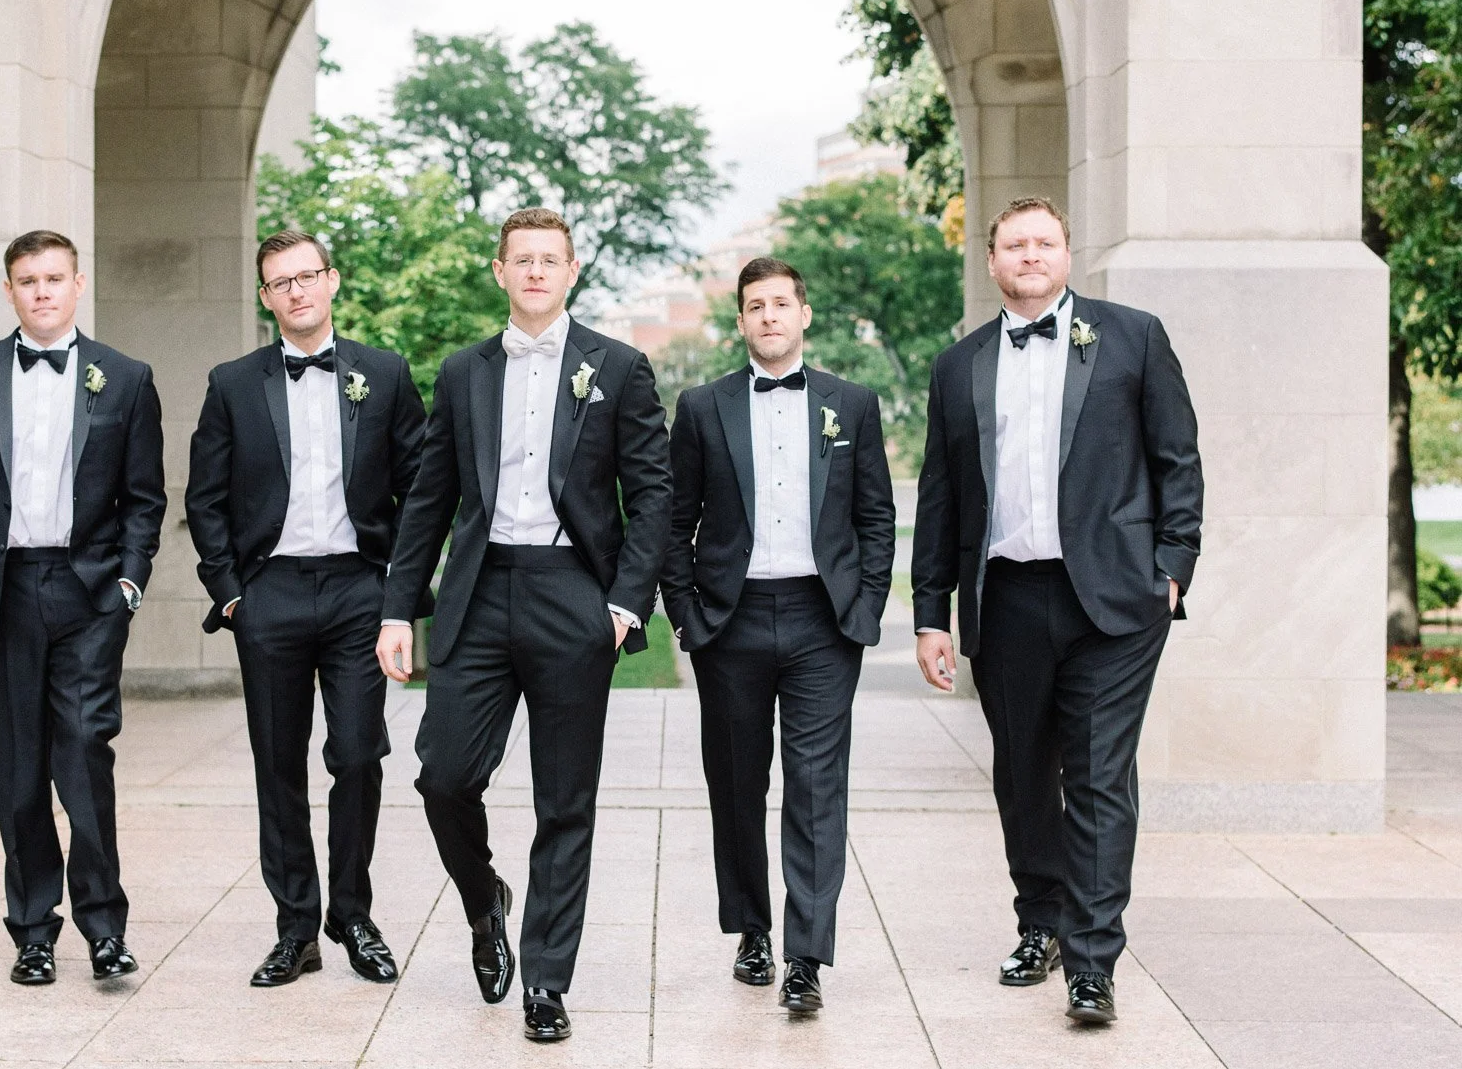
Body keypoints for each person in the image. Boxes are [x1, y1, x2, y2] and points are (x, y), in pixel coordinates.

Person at [374, 208, 671, 1042]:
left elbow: (651, 495)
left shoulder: (619, 367)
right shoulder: (464, 371)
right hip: (478, 592)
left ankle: (546, 979)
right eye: (522, 260)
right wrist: (400, 606)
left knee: (564, 798)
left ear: (572, 271)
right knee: (442, 776)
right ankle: (485, 898)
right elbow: (430, 497)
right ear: (499, 272)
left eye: (551, 259)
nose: (536, 271)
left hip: (573, 595)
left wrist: (623, 604)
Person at [910, 197, 1202, 1024]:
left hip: (1116, 599)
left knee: (1101, 773)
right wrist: (933, 611)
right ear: (994, 260)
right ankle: (1038, 919)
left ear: (1067, 254)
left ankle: (1092, 957)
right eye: (1014, 244)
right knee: (1023, 774)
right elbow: (941, 496)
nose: (1030, 254)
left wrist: (1172, 569)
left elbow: (1177, 459)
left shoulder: (1133, 337)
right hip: (1006, 596)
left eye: (1044, 242)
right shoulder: (957, 364)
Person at [0, 230, 165, 986]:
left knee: (85, 751)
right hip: (4, 591)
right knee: (18, 768)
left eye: (55, 278)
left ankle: (104, 929)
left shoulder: (125, 377)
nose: (42, 291)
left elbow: (145, 499)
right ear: (9, 290)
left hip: (89, 594)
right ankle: (31, 930)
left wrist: (127, 584)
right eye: (27, 280)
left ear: (78, 284)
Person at [185, 230, 426, 988]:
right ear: (265, 297)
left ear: (332, 281)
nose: (296, 290)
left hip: (360, 588)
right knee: (277, 764)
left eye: (307, 276)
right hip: (270, 593)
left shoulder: (383, 375)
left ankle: (351, 913)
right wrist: (231, 594)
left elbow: (422, 489)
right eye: (280, 282)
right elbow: (204, 497)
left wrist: (401, 595)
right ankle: (296, 927)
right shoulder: (232, 383)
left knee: (358, 754)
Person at [661, 256, 896, 1013]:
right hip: (729, 621)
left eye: (781, 303)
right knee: (735, 783)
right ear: (740, 320)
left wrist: (863, 607)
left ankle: (807, 954)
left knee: (817, 787)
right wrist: (687, 616)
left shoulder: (850, 404)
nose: (769, 315)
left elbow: (876, 517)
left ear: (805, 314)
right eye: (755, 305)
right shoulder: (702, 407)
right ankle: (751, 930)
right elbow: (674, 521)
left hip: (823, 622)